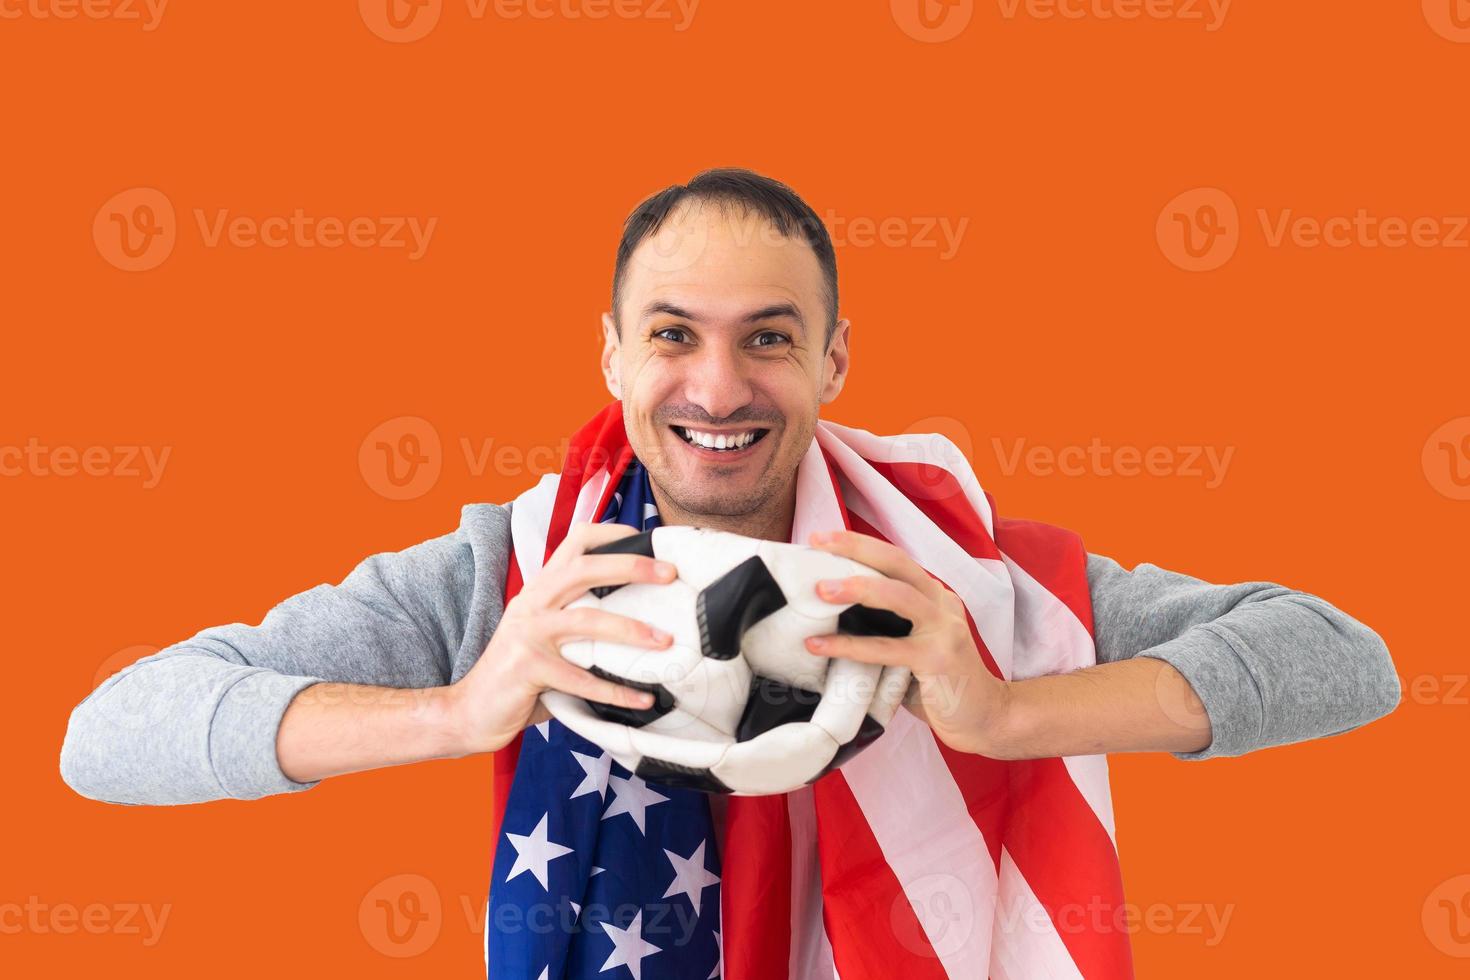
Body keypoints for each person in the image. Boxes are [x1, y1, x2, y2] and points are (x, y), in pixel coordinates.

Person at [60, 169, 1400, 978]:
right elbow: (108, 737)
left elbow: (1344, 659)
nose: (715, 387)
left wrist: (1002, 712)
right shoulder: (516, 575)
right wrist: (461, 711)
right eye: (670, 334)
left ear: (831, 362)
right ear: (609, 354)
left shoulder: (964, 578)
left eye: (768, 337)